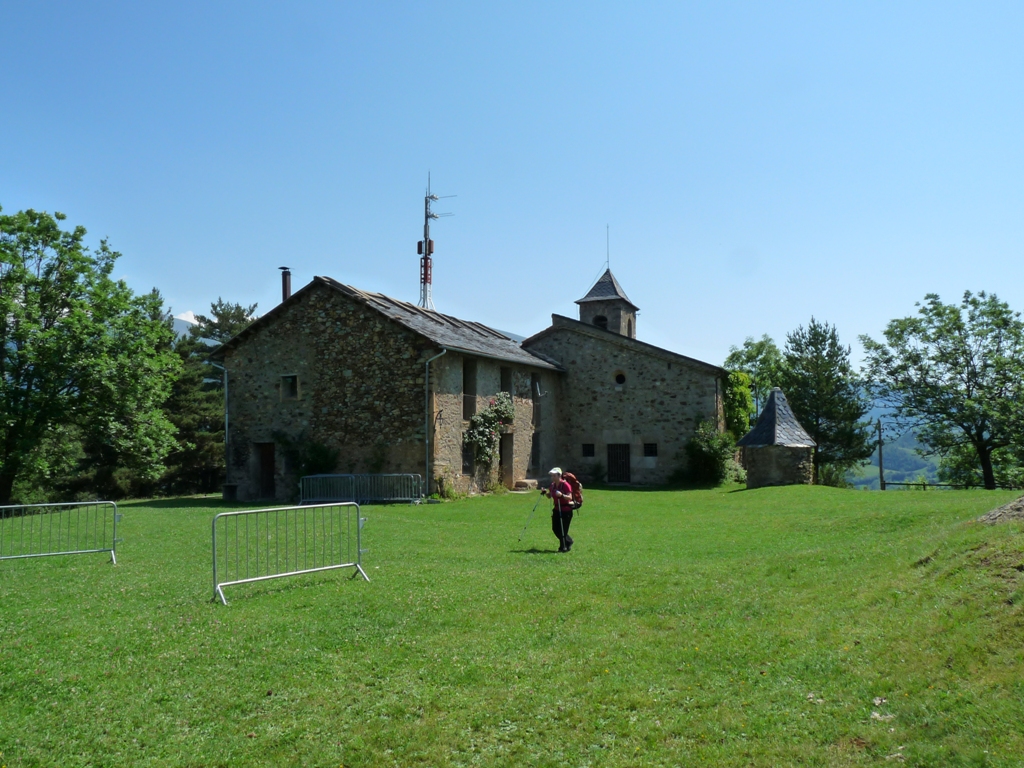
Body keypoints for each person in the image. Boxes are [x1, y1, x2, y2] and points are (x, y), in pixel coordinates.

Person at [543, 467, 575, 552]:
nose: (552, 477)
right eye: (552, 476)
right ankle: (569, 541)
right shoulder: (552, 485)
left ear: (559, 475)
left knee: (563, 530)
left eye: (554, 475)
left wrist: (561, 495)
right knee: (555, 529)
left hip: (566, 510)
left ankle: (563, 547)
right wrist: (545, 492)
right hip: (557, 509)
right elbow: (550, 496)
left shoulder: (565, 485)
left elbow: (569, 497)